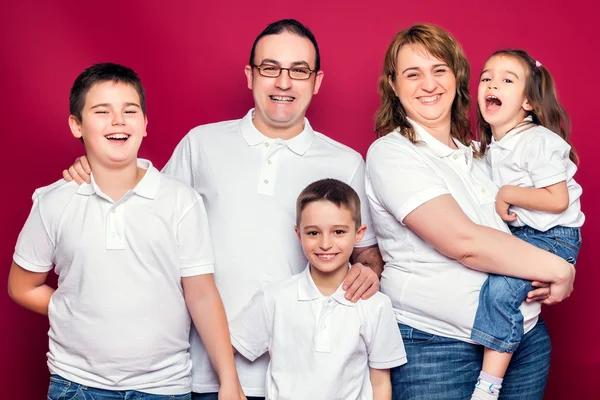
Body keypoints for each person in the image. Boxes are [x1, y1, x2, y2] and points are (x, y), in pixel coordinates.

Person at [61, 19, 383, 399]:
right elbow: (144, 218)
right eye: (270, 68)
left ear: (317, 81)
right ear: (250, 76)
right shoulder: (202, 144)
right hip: (204, 372)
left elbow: (368, 254)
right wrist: (96, 169)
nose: (284, 82)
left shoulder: (346, 163)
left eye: (299, 71)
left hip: (306, 378)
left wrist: (367, 271)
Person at [7, 63, 243, 399]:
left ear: (145, 124)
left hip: (164, 387)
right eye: (102, 111)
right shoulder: (54, 202)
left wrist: (229, 380)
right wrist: (75, 309)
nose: (118, 121)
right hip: (77, 385)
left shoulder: (180, 200)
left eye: (129, 111)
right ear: (77, 125)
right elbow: (21, 286)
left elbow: (202, 294)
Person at [365, 24, 576, 400]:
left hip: (524, 340)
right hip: (439, 347)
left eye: (439, 70)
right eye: (413, 74)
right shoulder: (392, 153)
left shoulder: (481, 154)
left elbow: (542, 215)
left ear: (458, 77)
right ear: (393, 86)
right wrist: (561, 269)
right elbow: (464, 242)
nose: (428, 84)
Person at [469, 49, 584, 399]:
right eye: (487, 77)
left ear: (530, 102)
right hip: (527, 235)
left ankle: (488, 385)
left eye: (507, 80)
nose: (492, 84)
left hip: (553, 237)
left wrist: (507, 193)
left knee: (500, 291)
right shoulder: (494, 146)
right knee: (498, 288)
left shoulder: (538, 141)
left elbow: (557, 199)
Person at [229, 179, 407, 400]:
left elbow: (380, 384)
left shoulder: (376, 304)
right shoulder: (276, 298)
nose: (325, 243)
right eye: (313, 233)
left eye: (338, 232)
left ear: (359, 234)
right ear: (298, 234)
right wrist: (230, 387)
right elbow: (227, 346)